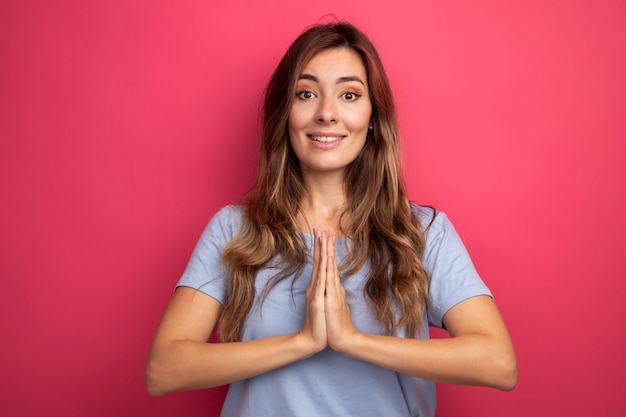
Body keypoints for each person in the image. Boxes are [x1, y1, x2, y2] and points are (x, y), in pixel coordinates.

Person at [145, 21, 517, 417]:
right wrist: (303, 341)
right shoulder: (235, 230)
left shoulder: (422, 233)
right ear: (284, 114)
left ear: (374, 115)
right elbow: (164, 370)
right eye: (306, 94)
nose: (326, 113)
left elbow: (498, 363)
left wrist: (351, 339)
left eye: (349, 94)